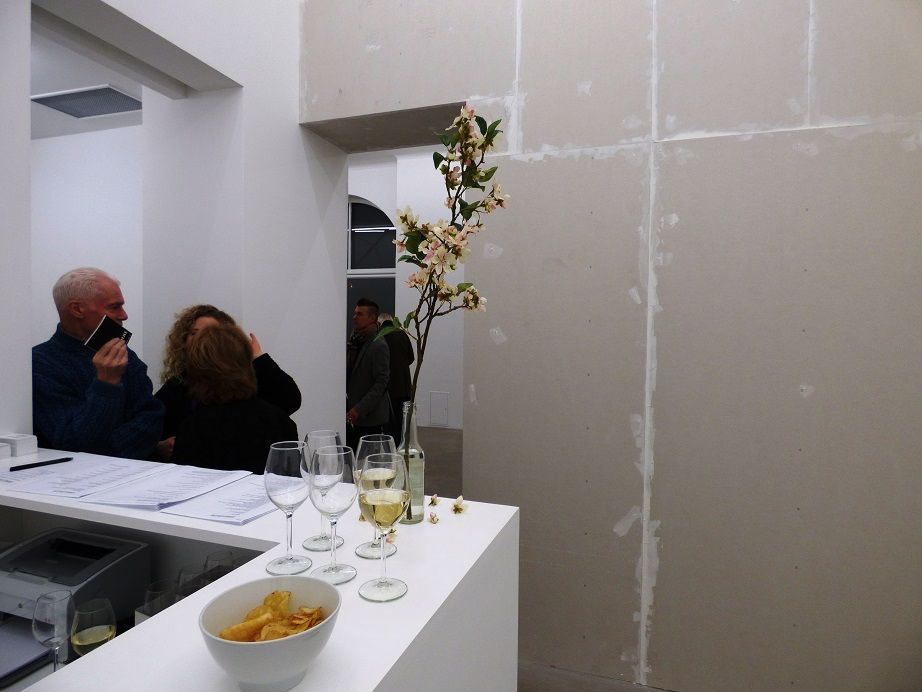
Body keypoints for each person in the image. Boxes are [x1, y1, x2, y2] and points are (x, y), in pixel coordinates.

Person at [32, 267, 164, 460]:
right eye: (114, 307)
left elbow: (152, 419)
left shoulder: (124, 354)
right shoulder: (40, 364)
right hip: (73, 476)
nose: (124, 315)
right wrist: (106, 384)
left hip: (134, 470)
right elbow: (72, 442)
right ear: (77, 309)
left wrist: (109, 451)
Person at [155, 304, 301, 459]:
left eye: (210, 334)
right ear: (184, 341)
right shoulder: (178, 385)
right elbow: (151, 424)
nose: (201, 340)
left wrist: (258, 357)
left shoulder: (253, 383)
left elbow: (289, 400)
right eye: (194, 333)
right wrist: (158, 448)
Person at [346, 298, 390, 451]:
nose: (354, 317)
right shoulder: (355, 340)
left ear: (372, 318)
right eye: (355, 313)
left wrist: (359, 409)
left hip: (370, 419)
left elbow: (381, 383)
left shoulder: (378, 344)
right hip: (353, 415)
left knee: (367, 461)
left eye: (360, 314)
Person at [378, 312, 415, 446]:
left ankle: (390, 451)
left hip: (389, 389)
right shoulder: (403, 334)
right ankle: (402, 447)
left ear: (379, 323)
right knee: (402, 423)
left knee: (389, 426)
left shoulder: (380, 335)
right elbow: (411, 358)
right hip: (405, 387)